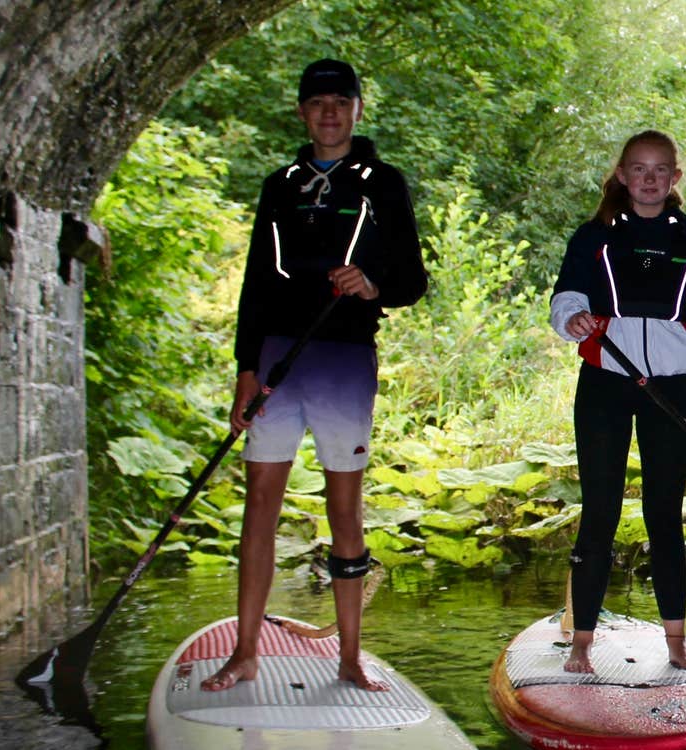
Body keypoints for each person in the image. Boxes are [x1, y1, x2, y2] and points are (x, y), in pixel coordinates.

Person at [202, 58, 427, 692]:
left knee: (344, 509)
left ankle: (350, 657)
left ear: (358, 110)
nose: (330, 112)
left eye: (341, 102)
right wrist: (246, 369)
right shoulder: (279, 185)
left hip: (343, 361)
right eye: (318, 102)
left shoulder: (384, 183)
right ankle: (245, 653)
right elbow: (254, 284)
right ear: (302, 112)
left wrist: (372, 283)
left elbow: (412, 280)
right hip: (278, 357)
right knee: (260, 505)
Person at [549, 130, 686, 674]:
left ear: (675, 177)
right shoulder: (595, 236)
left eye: (660, 170)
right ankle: (582, 642)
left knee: (664, 516)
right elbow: (566, 298)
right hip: (605, 384)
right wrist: (572, 319)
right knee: (599, 513)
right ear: (623, 175)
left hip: (668, 390)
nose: (649, 179)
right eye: (639, 169)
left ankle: (676, 641)